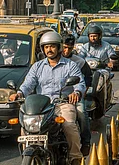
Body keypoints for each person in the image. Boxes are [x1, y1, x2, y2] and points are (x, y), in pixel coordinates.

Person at [10, 31, 85, 164]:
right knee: (25, 127)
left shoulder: (70, 65)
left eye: (52, 46)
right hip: (41, 107)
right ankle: (28, 155)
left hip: (62, 104)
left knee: (69, 125)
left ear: (59, 47)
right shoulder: (37, 66)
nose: (49, 50)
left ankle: (75, 157)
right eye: (46, 47)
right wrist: (19, 93)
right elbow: (28, 84)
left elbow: (80, 83)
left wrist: (76, 92)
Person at [62, 35, 92, 154]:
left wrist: (80, 93)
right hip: (55, 97)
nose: (66, 51)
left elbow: (88, 78)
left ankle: (86, 142)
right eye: (64, 47)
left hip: (74, 96)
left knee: (82, 113)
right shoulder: (44, 62)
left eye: (69, 48)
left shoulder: (79, 62)